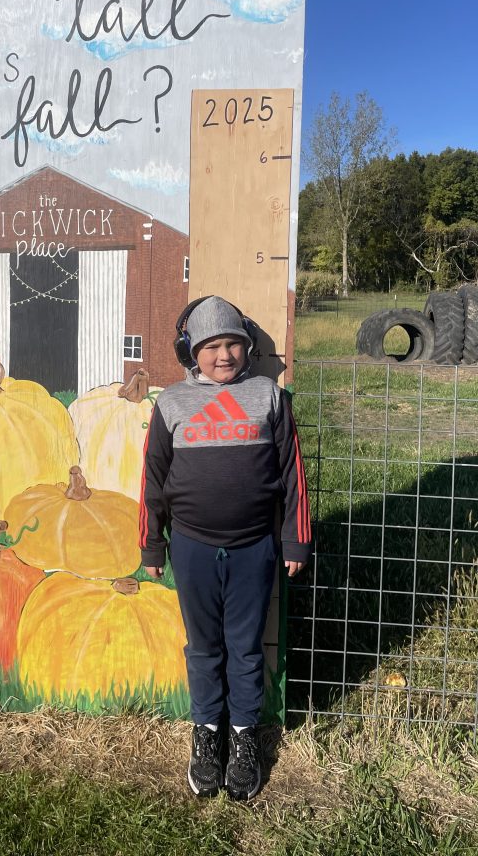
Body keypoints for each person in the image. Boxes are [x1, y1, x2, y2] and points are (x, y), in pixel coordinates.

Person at [139, 295, 311, 801]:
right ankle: (206, 733)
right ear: (190, 350)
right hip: (190, 548)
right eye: (211, 345)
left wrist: (295, 539)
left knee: (245, 648)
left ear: (248, 346)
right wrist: (152, 546)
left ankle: (243, 737)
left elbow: (292, 475)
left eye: (233, 342)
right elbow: (151, 480)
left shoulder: (268, 397)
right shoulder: (170, 404)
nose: (223, 355)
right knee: (203, 648)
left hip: (254, 548)